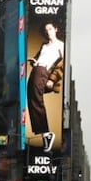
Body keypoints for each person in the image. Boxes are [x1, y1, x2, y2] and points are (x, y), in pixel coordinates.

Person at [27, 22, 64, 153]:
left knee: (36, 99)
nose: (48, 31)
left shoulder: (61, 45)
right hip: (36, 70)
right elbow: (40, 58)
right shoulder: (44, 45)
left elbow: (61, 65)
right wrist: (34, 62)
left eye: (50, 28)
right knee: (32, 98)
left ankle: (46, 134)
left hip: (43, 72)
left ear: (55, 29)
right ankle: (45, 134)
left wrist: (52, 79)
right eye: (45, 29)